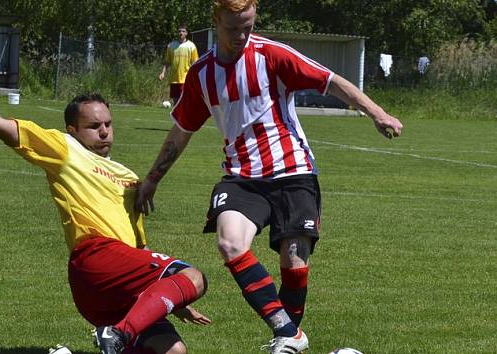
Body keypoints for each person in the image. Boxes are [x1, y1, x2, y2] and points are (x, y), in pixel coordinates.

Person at [136, 1, 403, 354]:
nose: (242, 35)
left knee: (293, 258)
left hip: (293, 172)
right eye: (233, 28)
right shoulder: (201, 74)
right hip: (241, 177)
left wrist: (377, 113)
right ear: (217, 21)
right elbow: (180, 132)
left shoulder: (272, 55)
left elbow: (331, 82)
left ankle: (287, 341)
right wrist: (153, 178)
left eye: (248, 26)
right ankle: (289, 333)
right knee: (230, 242)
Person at [0, 74, 210, 354]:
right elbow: (2, 126)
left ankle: (112, 337)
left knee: (173, 351)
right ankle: (118, 332)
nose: (103, 132)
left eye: (108, 124)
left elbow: (138, 248)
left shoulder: (128, 176)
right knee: (194, 276)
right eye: (93, 126)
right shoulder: (64, 149)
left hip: (118, 279)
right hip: (96, 259)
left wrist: (170, 298)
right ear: (72, 130)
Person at [158, 23, 199, 105]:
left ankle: (185, 117)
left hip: (186, 79)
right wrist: (163, 73)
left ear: (186, 33)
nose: (181, 33)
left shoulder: (191, 46)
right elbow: (167, 62)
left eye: (183, 31)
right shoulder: (171, 46)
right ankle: (177, 118)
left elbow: (195, 63)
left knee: (184, 102)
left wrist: (195, 77)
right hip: (174, 79)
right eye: (179, 31)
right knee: (176, 103)